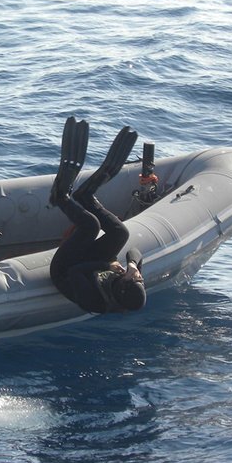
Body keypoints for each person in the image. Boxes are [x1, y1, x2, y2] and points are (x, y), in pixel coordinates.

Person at [48, 116, 146, 314]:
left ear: (123, 287)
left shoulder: (94, 301)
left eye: (133, 280)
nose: (135, 278)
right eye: (138, 280)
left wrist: (107, 266)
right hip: (92, 263)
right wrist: (133, 266)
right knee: (121, 234)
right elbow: (134, 252)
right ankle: (85, 197)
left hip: (65, 269)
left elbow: (76, 272)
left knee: (91, 227)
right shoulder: (127, 284)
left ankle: (60, 197)